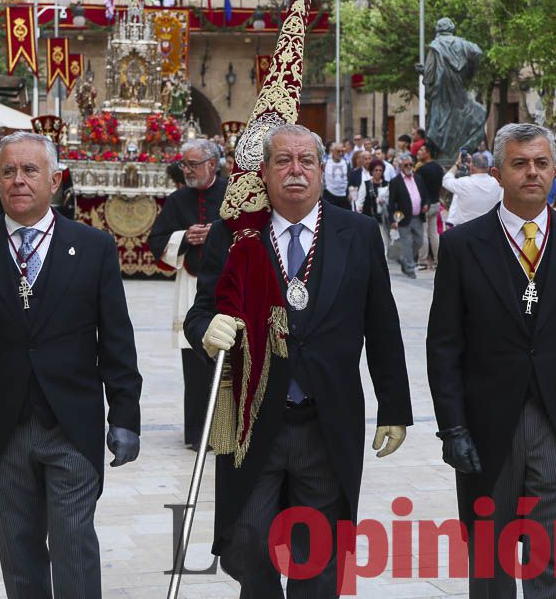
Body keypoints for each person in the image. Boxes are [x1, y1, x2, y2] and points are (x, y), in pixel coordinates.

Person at [184, 124, 412, 596]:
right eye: (283, 161)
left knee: (319, 559)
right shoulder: (235, 234)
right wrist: (207, 331)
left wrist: (394, 406)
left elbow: (382, 324)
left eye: (306, 161)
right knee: (245, 541)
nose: (295, 171)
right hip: (253, 418)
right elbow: (200, 312)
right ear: (263, 171)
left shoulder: (359, 232)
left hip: (326, 420)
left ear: (321, 169)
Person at [0, 132, 142, 599]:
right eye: (8, 171)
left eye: (30, 170)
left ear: (54, 180)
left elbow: (117, 343)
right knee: (19, 554)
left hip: (72, 425)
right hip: (5, 429)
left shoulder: (94, 247)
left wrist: (125, 416)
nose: (18, 180)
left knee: (73, 546)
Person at [426, 122, 556, 596]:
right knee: (491, 563)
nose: (531, 173)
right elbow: (443, 345)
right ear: (498, 173)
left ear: (555, 171)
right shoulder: (463, 245)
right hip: (487, 426)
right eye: (520, 164)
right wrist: (452, 427)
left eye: (541, 163)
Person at [147, 139, 227, 451]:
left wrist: (218, 232)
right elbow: (156, 239)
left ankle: (227, 427)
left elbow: (249, 229)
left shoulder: (233, 193)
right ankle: (197, 433)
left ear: (212, 163)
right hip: (192, 286)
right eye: (185, 164)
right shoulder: (178, 199)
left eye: (193, 164)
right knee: (194, 364)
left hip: (227, 285)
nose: (187, 170)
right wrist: (184, 237)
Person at [387, 152, 430, 278]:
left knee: (419, 241)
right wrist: (393, 220)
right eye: (406, 165)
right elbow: (392, 203)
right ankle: (410, 268)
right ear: (400, 166)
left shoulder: (418, 178)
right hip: (403, 218)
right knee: (407, 242)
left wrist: (426, 204)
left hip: (418, 217)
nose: (408, 167)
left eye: (410, 164)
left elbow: (425, 196)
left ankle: (404, 259)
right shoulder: (395, 182)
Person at [443, 150, 502, 226]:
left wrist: (457, 164)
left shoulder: (463, 183)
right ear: (488, 168)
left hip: (466, 230)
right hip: (488, 229)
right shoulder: (497, 183)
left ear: (471, 166)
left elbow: (446, 180)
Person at [415, 141, 445, 269]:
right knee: (434, 233)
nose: (418, 153)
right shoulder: (439, 168)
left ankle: (423, 261)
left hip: (425, 205)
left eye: (421, 151)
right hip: (436, 203)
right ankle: (438, 261)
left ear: (427, 152)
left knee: (423, 232)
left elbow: (418, 188)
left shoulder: (422, 169)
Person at [354, 157, 391, 251]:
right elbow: (360, 201)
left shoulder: (387, 184)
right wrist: (358, 212)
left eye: (380, 170)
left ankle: (383, 263)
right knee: (369, 243)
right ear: (372, 171)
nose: (378, 172)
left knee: (384, 243)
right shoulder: (366, 184)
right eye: (376, 170)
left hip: (383, 218)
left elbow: (391, 200)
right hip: (369, 217)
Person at [322, 141, 350, 209]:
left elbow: (349, 178)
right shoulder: (326, 163)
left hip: (344, 196)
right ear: (332, 151)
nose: (340, 153)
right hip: (329, 195)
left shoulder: (347, 163)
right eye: (338, 151)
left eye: (342, 151)